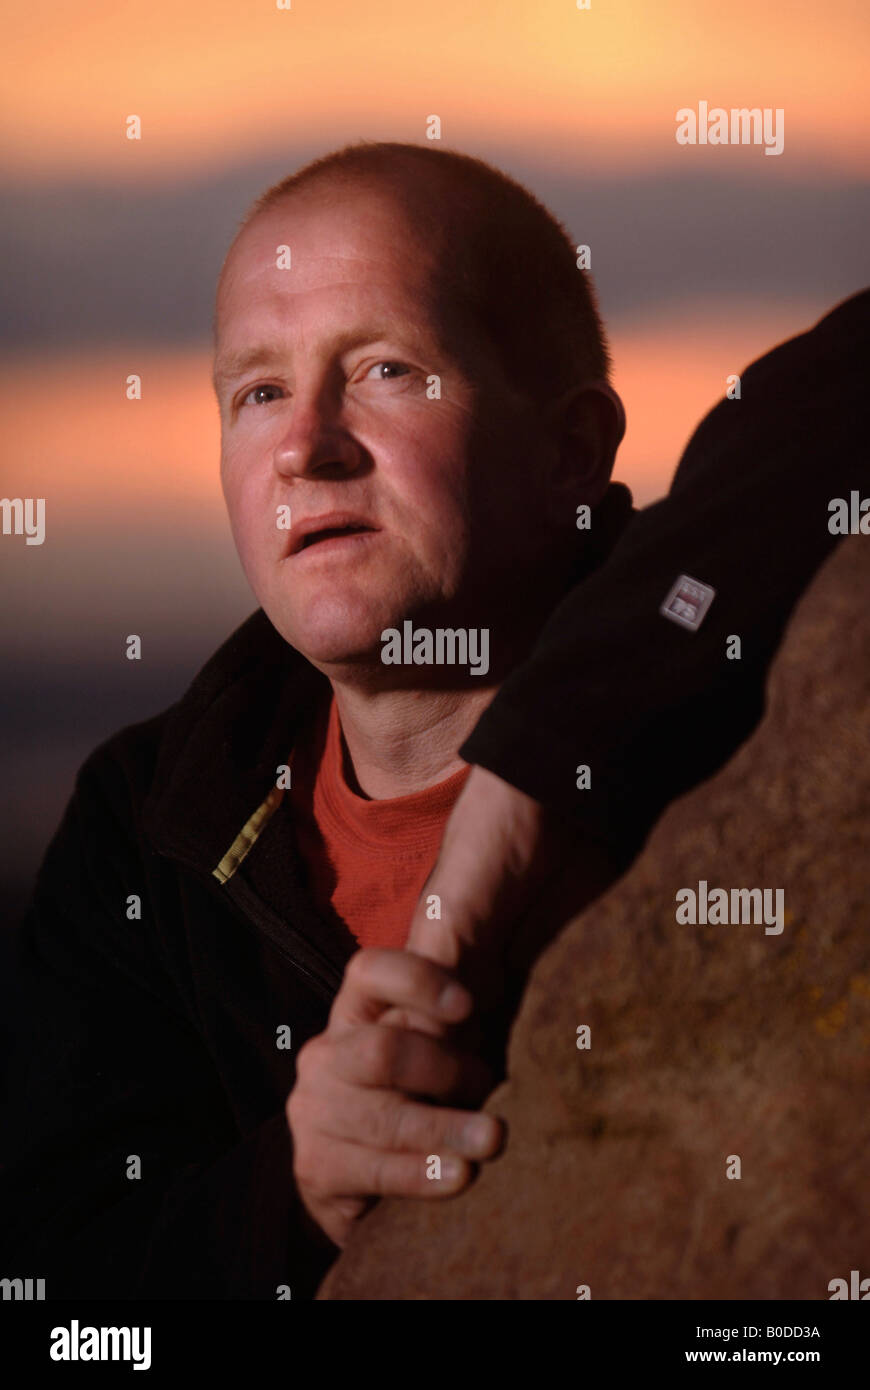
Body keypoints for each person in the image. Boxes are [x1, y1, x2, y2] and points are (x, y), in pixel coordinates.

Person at [1, 140, 866, 1299]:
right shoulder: (152, 821)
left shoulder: (738, 685)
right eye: (258, 392)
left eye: (386, 371)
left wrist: (531, 778)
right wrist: (293, 1195)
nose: (305, 447)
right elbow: (58, 1298)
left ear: (572, 449)